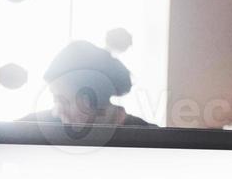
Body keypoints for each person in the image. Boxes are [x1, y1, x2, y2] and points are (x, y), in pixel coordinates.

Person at [21, 41, 156, 128]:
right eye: (55, 99)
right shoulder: (31, 128)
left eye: (63, 100)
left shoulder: (152, 141)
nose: (57, 112)